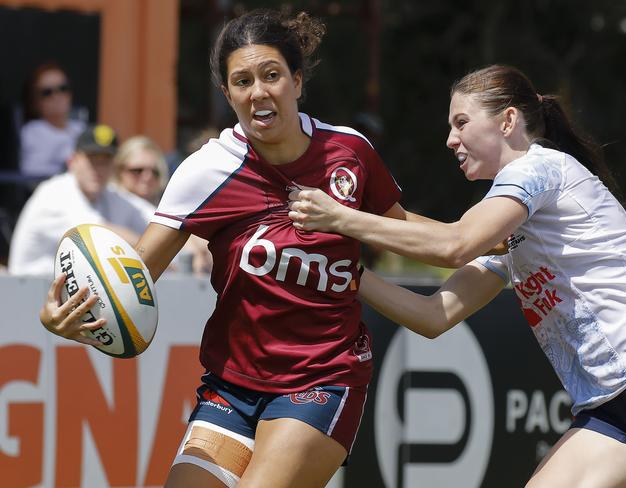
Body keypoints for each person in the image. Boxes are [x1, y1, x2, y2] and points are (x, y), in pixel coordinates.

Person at [38, 9, 405, 488]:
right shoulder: (207, 170)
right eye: (242, 81)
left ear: (296, 81)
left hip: (321, 381)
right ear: (227, 94)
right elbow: (133, 275)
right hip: (231, 389)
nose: (259, 91)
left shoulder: (349, 152)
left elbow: (405, 231)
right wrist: (67, 317)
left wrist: (481, 238)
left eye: (272, 75)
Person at [288, 65, 626, 488]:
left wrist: (339, 218)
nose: (450, 139)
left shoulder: (537, 168)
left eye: (461, 122)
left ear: (508, 121)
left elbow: (453, 244)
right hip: (614, 408)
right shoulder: (511, 230)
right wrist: (344, 274)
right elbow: (433, 317)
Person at [9, 124, 153, 276]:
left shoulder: (108, 194)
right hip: (28, 290)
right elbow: (97, 234)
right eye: (92, 160)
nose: (99, 168)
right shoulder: (55, 191)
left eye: (105, 161)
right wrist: (154, 250)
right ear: (73, 161)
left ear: (114, 166)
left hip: (66, 290)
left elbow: (150, 216)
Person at [19, 62, 86, 178]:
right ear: (34, 101)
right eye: (47, 92)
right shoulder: (33, 131)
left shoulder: (81, 128)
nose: (57, 96)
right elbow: (31, 176)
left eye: (63, 88)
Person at [114, 135, 169, 205]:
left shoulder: (167, 211)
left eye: (154, 172)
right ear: (119, 171)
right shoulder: (105, 209)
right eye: (138, 170)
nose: (148, 177)